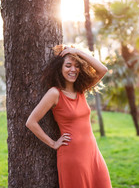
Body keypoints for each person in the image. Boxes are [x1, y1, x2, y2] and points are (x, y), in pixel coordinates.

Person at [26, 45, 112, 188]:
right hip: (73, 157)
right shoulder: (54, 93)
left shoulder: (80, 90)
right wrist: (53, 143)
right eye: (68, 65)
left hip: (93, 153)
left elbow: (103, 70)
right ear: (60, 68)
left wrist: (77, 52)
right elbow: (31, 122)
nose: (73, 69)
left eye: (77, 66)